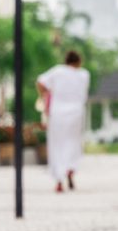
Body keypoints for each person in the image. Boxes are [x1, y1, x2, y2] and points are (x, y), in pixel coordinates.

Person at [36, 51, 90, 193]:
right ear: (78, 62)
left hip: (58, 113)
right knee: (73, 142)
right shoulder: (84, 74)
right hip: (76, 113)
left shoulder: (58, 71)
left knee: (57, 145)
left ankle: (59, 179)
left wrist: (45, 94)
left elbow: (40, 82)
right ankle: (70, 169)